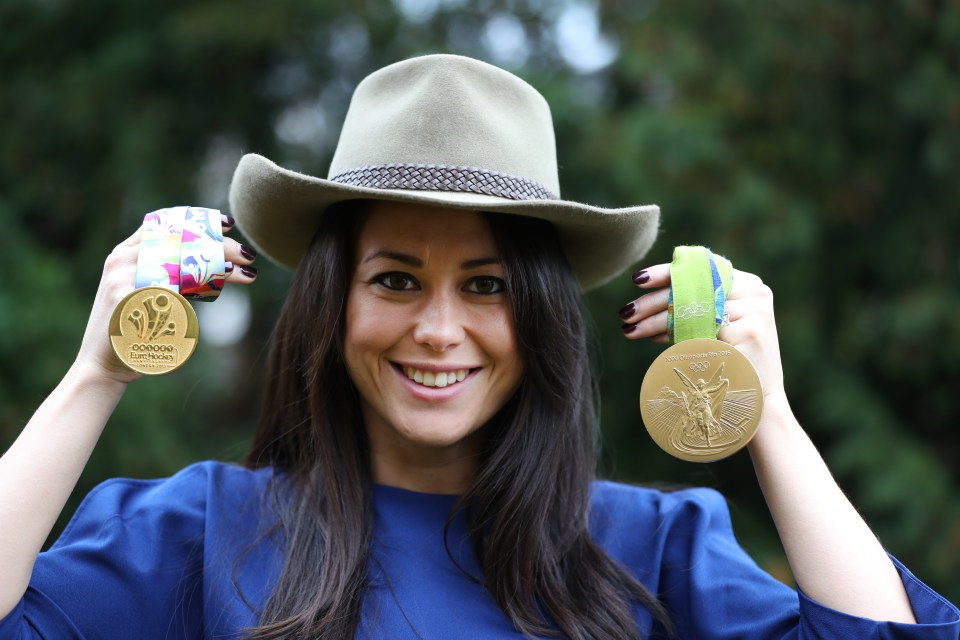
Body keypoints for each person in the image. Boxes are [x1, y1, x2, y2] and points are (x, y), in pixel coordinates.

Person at [0, 54, 957, 640]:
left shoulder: (651, 554)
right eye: (396, 279)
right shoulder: (199, 534)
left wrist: (770, 419)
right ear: (334, 305)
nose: (440, 328)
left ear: (539, 314)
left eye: (488, 285)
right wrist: (98, 374)